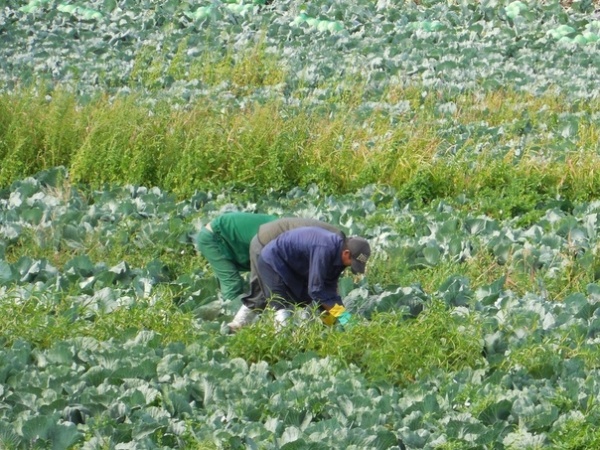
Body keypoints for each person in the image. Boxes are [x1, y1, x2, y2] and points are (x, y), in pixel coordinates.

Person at [227, 217, 345, 332]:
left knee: (298, 292)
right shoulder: (331, 246)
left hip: (282, 245)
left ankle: (314, 327)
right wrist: (343, 317)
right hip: (265, 242)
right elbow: (319, 289)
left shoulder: (337, 243)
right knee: (267, 291)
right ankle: (239, 326)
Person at [256, 226, 371, 329]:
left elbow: (329, 290)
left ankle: (330, 330)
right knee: (280, 304)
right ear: (346, 253)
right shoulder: (325, 248)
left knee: (317, 301)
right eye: (352, 262)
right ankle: (283, 344)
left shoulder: (339, 257)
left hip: (294, 266)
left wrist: (344, 318)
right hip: (272, 260)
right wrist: (344, 317)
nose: (350, 265)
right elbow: (315, 290)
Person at [195, 212, 277, 303]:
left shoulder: (287, 229)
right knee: (232, 283)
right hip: (214, 236)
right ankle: (230, 313)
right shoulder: (280, 236)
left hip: (233, 236)